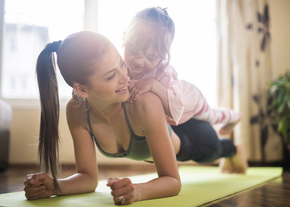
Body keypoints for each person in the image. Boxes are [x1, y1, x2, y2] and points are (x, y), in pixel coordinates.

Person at [23, 31, 248, 205]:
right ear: (81, 89)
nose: (126, 77)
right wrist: (54, 186)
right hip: (165, 135)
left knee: (217, 149)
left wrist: (138, 190)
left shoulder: (144, 103)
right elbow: (88, 178)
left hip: (192, 137)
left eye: (122, 64)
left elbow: (172, 181)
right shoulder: (77, 111)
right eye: (111, 75)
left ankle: (234, 149)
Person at [123, 7, 241, 135]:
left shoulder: (163, 72)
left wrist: (153, 85)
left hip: (192, 99)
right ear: (124, 38)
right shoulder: (120, 65)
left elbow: (177, 107)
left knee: (212, 116)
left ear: (163, 55)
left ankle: (235, 116)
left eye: (150, 57)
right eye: (133, 51)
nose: (139, 61)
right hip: (180, 88)